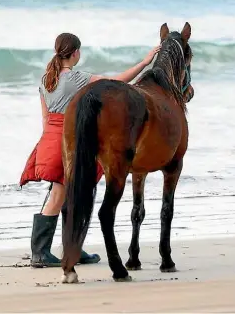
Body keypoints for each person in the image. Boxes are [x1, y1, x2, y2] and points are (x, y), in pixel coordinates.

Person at [19, 33, 161, 268]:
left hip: (50, 136)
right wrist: (145, 63)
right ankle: (40, 252)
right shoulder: (76, 78)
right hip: (68, 137)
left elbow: (45, 118)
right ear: (75, 52)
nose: (80, 55)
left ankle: (71, 247)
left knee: (69, 194)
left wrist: (50, 142)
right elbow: (117, 82)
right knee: (58, 194)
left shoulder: (46, 79)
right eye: (79, 51)